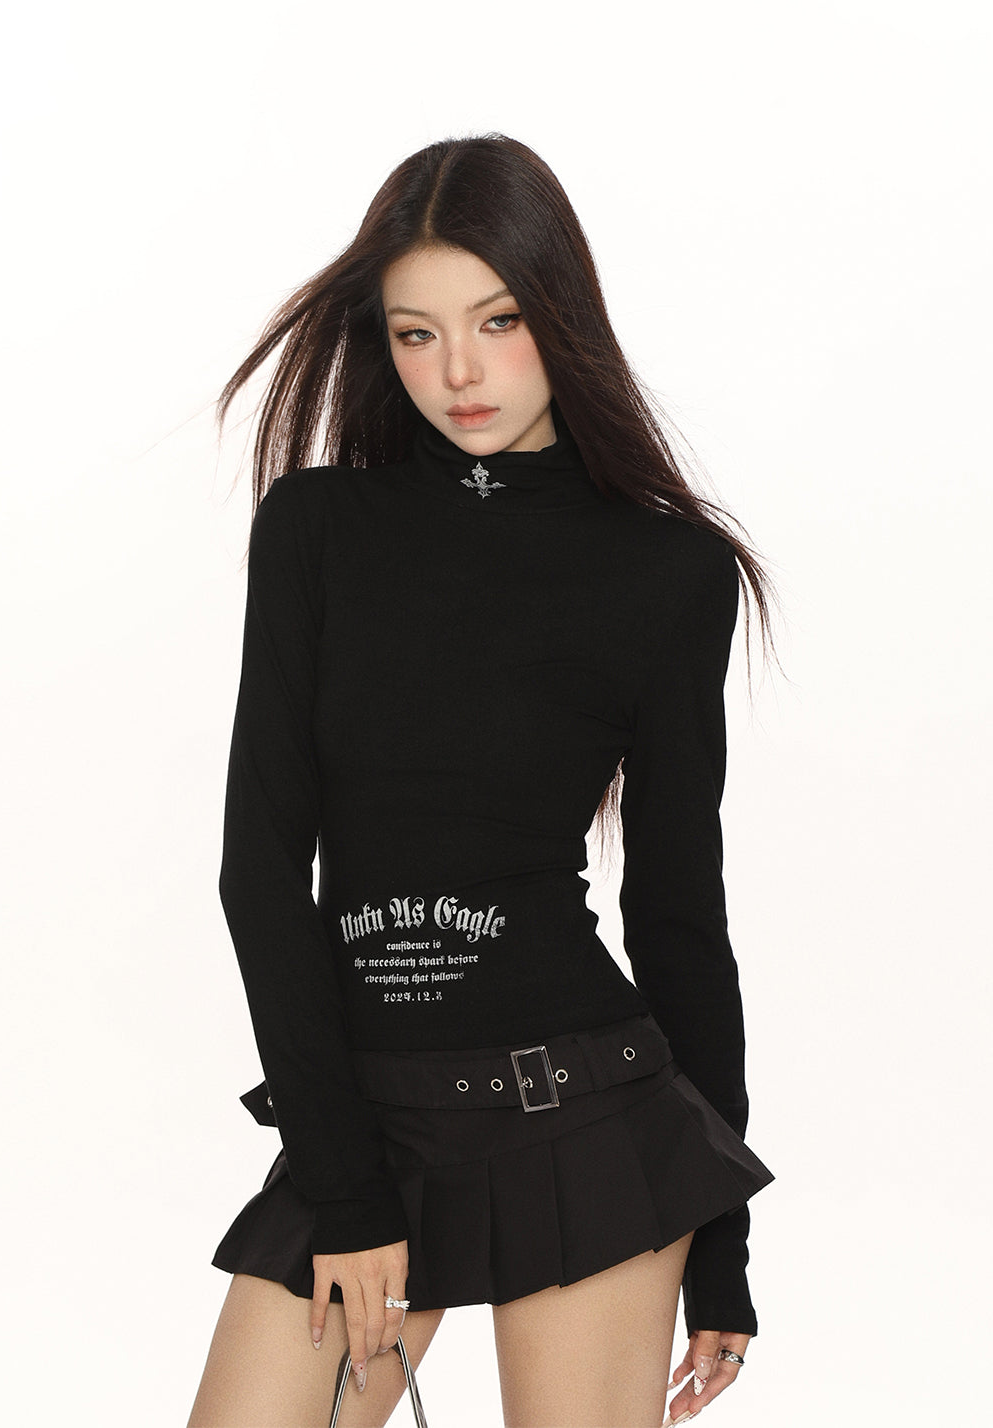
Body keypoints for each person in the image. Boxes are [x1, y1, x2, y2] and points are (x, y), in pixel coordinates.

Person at [186, 133, 776, 1428]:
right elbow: (260, 872)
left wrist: (721, 1247)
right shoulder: (319, 531)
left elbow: (680, 916)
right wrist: (343, 1191)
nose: (459, 370)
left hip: (586, 1120)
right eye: (418, 333)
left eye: (497, 321)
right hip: (362, 1120)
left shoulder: (668, 573)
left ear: (560, 313)